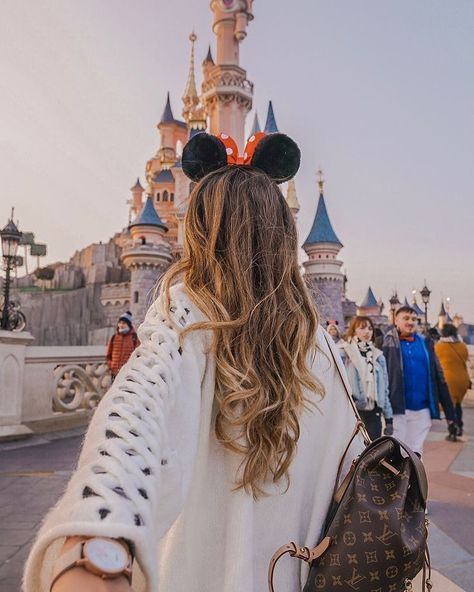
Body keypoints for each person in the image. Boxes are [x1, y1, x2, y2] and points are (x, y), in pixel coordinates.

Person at [23, 132, 362, 592]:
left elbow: (137, 410)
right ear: (284, 236)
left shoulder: (186, 316)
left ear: (201, 234)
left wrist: (97, 535)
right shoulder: (319, 341)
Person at [383, 306, 456, 455]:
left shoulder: (426, 344)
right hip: (396, 411)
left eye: (414, 319)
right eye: (406, 318)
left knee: (415, 455)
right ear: (396, 320)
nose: (410, 322)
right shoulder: (385, 343)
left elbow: (439, 378)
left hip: (422, 411)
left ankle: (415, 479)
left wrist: (450, 414)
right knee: (395, 456)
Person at [339, 316, 393, 440]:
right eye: (362, 328)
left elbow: (384, 390)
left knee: (373, 455)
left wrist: (389, 418)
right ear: (354, 331)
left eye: (370, 328)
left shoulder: (379, 357)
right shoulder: (344, 353)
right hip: (353, 412)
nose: (367, 331)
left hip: (374, 413)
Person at [435, 323, 471, 437]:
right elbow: (465, 359)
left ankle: (453, 430)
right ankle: (460, 426)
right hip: (463, 379)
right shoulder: (462, 346)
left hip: (449, 380)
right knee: (458, 404)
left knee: (449, 405)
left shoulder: (439, 347)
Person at [105, 311, 140, 380]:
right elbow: (108, 355)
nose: (121, 325)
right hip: (114, 373)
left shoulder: (134, 337)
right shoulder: (114, 337)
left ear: (129, 325)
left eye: (123, 323)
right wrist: (111, 365)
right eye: (120, 323)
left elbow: (138, 354)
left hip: (128, 373)